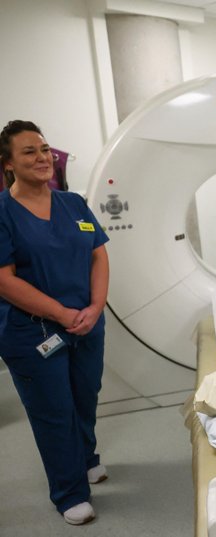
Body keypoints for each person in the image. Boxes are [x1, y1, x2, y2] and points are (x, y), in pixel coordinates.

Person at [0, 120, 110, 525]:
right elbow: (3, 280)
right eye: (29, 151)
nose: (42, 157)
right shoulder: (3, 213)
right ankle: (69, 493)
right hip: (33, 331)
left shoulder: (73, 204)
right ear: (8, 163)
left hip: (86, 320)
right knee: (54, 410)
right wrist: (63, 314)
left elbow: (97, 252)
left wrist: (96, 305)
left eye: (45, 149)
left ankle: (86, 459)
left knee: (85, 396)